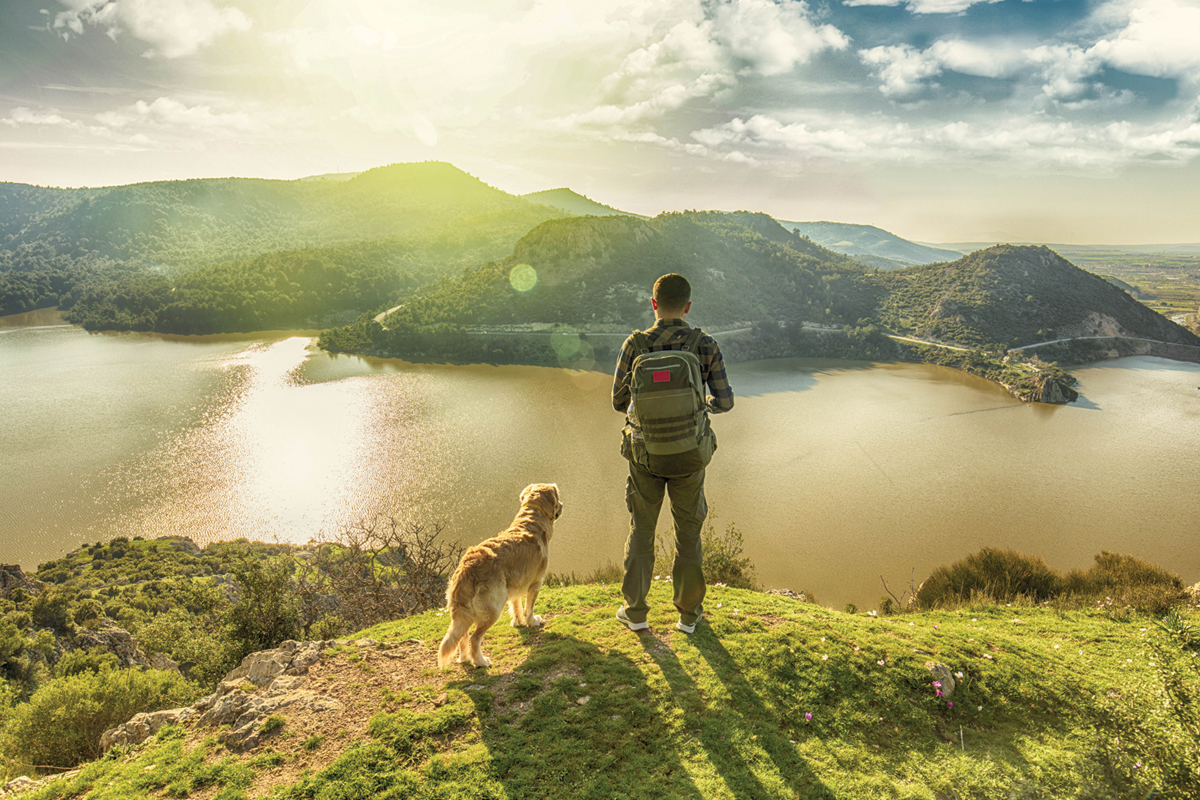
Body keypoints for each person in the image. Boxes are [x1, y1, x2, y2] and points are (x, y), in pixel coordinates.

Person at [612, 273, 734, 634]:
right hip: (690, 456)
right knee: (688, 535)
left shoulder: (634, 345)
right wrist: (702, 403)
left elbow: (618, 401)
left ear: (654, 304)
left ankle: (635, 612)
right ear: (688, 306)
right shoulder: (704, 344)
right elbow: (725, 402)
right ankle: (688, 615)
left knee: (641, 532)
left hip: (645, 456)